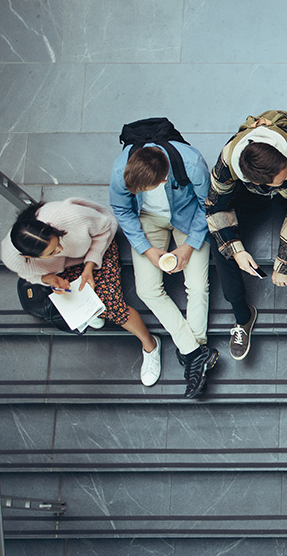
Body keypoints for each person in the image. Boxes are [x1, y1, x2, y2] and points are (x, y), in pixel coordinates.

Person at [206, 110, 287, 360]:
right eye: (283, 174)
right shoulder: (226, 163)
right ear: (262, 181)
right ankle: (242, 314)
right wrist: (236, 250)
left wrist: (283, 265)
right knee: (219, 243)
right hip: (249, 194)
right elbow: (216, 207)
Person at [1, 199, 162, 386]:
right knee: (72, 298)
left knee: (111, 305)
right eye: (52, 252)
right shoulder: (13, 259)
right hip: (64, 270)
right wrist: (49, 279)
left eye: (57, 242)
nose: (60, 250)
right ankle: (93, 310)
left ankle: (150, 344)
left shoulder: (71, 216)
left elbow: (106, 227)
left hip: (98, 248)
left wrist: (89, 266)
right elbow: (28, 274)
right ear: (29, 257)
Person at [110, 141, 218, 399]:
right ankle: (194, 353)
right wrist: (147, 249)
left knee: (197, 285)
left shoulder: (191, 164)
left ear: (164, 178)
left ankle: (194, 352)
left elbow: (209, 204)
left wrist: (189, 246)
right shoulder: (120, 171)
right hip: (146, 221)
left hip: (188, 217)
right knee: (147, 289)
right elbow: (122, 210)